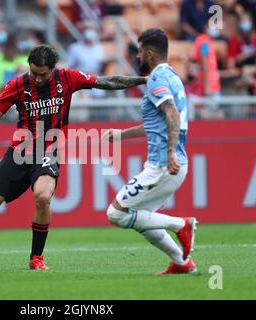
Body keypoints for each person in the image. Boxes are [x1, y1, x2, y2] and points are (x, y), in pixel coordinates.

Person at [0, 45, 147, 270]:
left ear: (53, 69)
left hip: (50, 149)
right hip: (21, 151)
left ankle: (36, 257)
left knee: (43, 196)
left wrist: (144, 79)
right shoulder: (17, 84)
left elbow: (108, 81)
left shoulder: (68, 78)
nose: (37, 79)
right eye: (33, 73)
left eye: (43, 74)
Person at [102, 29, 198, 275]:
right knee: (142, 218)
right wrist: (122, 135)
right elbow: (157, 124)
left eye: (139, 51)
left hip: (164, 165)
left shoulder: (157, 79)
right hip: (168, 163)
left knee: (116, 213)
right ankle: (181, 262)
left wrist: (170, 153)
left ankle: (181, 225)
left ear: (149, 53)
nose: (137, 56)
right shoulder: (171, 75)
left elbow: (172, 115)